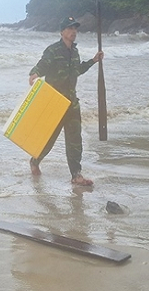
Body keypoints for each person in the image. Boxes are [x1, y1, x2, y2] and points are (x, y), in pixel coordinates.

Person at [28, 16, 103, 186]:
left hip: (72, 103)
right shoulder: (53, 50)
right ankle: (35, 161)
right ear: (62, 32)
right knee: (49, 139)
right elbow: (42, 65)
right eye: (69, 29)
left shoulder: (74, 52)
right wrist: (34, 73)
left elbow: (77, 70)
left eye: (75, 29)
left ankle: (76, 175)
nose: (73, 32)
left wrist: (93, 61)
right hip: (55, 102)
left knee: (75, 140)